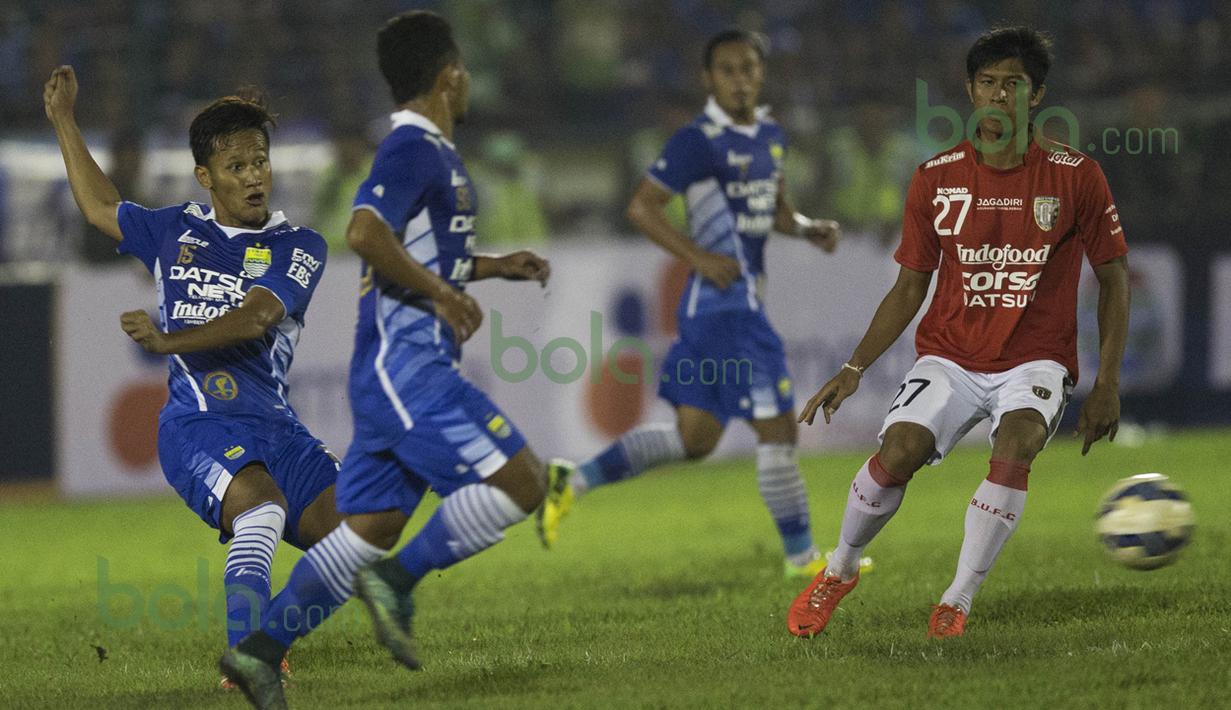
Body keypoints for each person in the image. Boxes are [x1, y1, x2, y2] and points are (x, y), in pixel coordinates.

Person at [219, 12, 551, 708]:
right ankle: (397, 585)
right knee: (523, 482)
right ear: (450, 75)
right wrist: (442, 294)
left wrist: (493, 267)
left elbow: (421, 250)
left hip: (391, 374)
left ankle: (256, 655)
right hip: (409, 372)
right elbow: (364, 232)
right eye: (463, 72)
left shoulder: (433, 153)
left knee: (369, 527)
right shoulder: (411, 148)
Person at [786, 26, 1130, 639]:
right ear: (971, 91)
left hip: (1035, 359)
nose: (1000, 96)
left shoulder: (1076, 176)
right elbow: (909, 287)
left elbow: (1114, 277)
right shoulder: (935, 178)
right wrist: (854, 367)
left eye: (1014, 84)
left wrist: (1107, 379)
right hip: (949, 355)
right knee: (898, 453)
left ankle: (958, 598)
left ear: (1038, 94)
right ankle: (838, 570)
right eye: (989, 83)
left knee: (1017, 443)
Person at [44, 67, 343, 682]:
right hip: (198, 424)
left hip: (278, 429)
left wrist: (167, 340)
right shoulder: (175, 230)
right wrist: (65, 122)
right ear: (206, 177)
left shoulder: (300, 244)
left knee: (359, 540)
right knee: (260, 513)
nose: (255, 175)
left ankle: (266, 636)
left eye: (260, 161)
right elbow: (101, 206)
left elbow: (256, 318)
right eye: (237, 167)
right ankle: (249, 658)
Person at [536, 29, 862, 580]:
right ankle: (803, 559)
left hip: (724, 310)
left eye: (749, 68)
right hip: (724, 307)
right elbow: (643, 207)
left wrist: (807, 228)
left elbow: (772, 210)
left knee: (695, 440)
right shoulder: (698, 140)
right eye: (728, 70)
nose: (740, 79)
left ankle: (576, 478)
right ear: (708, 79)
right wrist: (698, 257)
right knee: (779, 428)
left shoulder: (770, 136)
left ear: (761, 73)